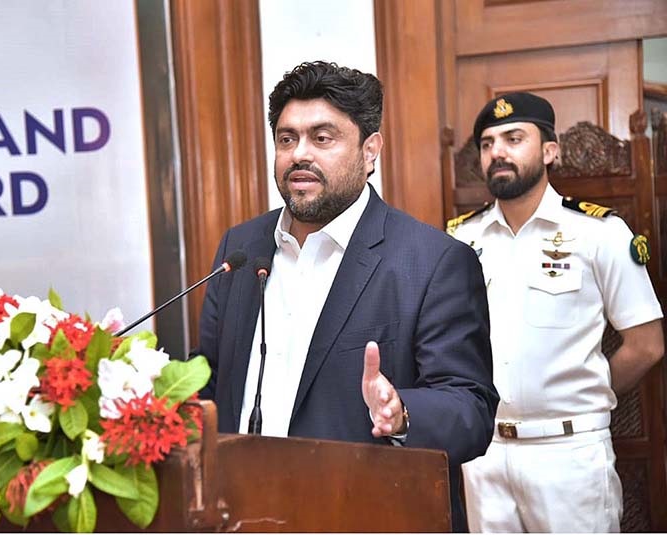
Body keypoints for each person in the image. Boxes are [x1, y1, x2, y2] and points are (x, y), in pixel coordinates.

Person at [193, 60, 499, 532]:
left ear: (370, 150)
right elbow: (210, 380)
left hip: (367, 515)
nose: (299, 154)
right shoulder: (242, 248)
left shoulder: (432, 261)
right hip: (244, 513)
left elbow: (470, 410)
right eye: (287, 139)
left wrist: (401, 413)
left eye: (322, 138)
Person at [452, 92, 665, 532]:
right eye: (488, 144)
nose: (498, 152)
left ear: (550, 151)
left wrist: (584, 393)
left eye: (514, 138)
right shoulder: (461, 240)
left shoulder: (599, 232)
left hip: (569, 453)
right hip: (486, 453)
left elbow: (646, 345)